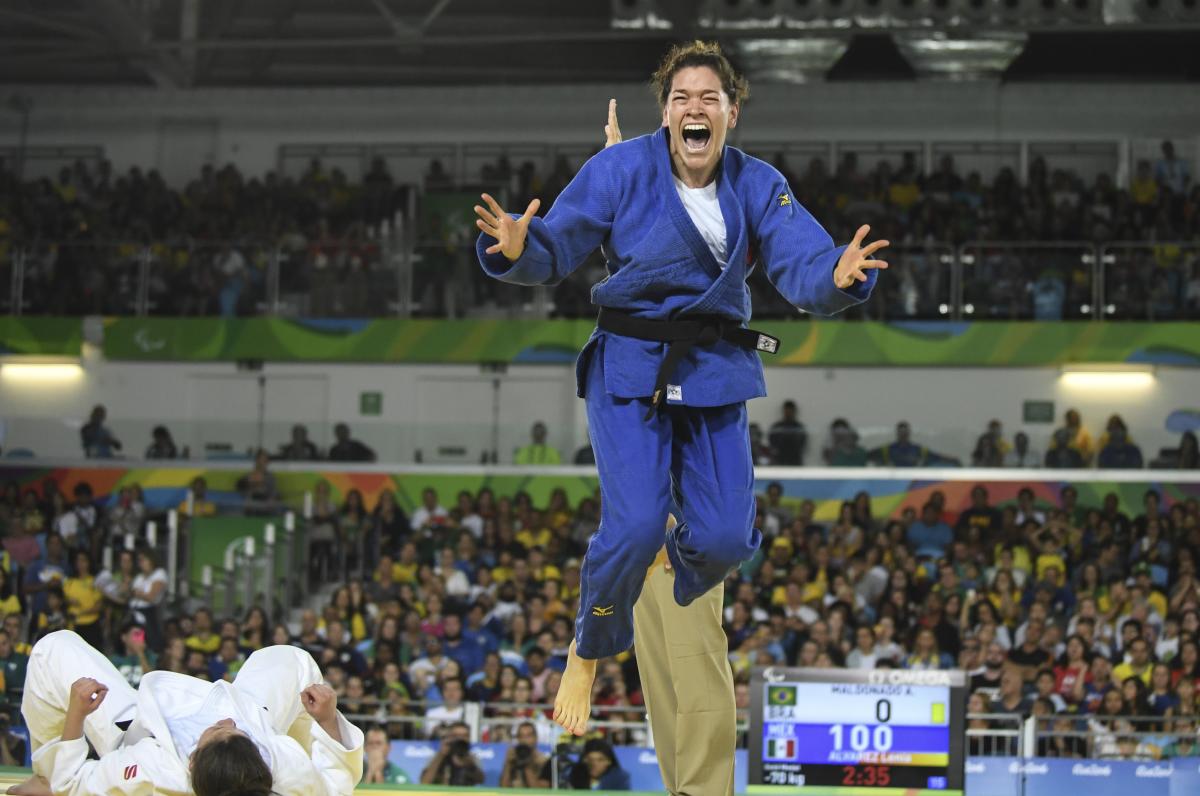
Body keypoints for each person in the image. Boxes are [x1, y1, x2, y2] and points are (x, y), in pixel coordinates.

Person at [472, 40, 885, 736]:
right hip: (631, 365)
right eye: (681, 98)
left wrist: (837, 277)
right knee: (632, 524)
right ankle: (590, 646)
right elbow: (558, 241)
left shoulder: (757, 183)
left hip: (714, 370)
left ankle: (667, 548)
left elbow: (802, 259)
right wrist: (518, 249)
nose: (695, 108)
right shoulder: (620, 168)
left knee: (725, 539)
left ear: (731, 114)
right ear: (665, 114)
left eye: (709, 99)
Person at [11, 630, 362, 796]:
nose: (224, 724)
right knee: (293, 659)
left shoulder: (149, 771)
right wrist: (327, 719)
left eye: (214, 732)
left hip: (144, 725)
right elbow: (336, 784)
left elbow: (72, 782)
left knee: (52, 649)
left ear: (192, 760)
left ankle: (42, 777)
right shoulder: (282, 769)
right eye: (235, 732)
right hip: (250, 709)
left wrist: (76, 715)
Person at [419, 722, 484, 786]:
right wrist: (441, 755)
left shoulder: (472, 758)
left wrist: (469, 763)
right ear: (449, 737)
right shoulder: (437, 757)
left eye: (464, 735)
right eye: (456, 735)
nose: (460, 738)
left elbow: (480, 780)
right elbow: (425, 782)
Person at [499, 720, 549, 788]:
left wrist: (526, 765)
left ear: (535, 738)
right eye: (521, 736)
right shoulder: (513, 759)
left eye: (528, 736)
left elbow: (540, 791)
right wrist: (508, 764)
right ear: (518, 739)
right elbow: (503, 788)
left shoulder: (544, 762)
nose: (524, 740)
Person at [767, 400, 807, 465]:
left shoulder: (799, 428)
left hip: (795, 460)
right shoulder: (776, 427)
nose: (788, 413)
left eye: (790, 411)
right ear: (783, 411)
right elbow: (772, 445)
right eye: (786, 411)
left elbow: (802, 445)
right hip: (779, 460)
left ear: (794, 411)